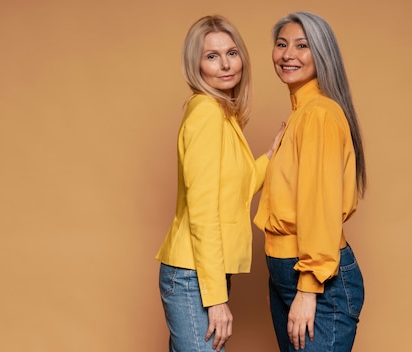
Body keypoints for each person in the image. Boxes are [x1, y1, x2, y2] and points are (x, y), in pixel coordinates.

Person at [155, 15, 284, 352]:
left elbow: (235, 190)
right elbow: (203, 213)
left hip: (199, 271)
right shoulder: (207, 115)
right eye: (212, 56)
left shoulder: (220, 114)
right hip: (193, 276)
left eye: (232, 52)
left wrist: (271, 155)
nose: (226, 64)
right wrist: (215, 299)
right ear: (196, 65)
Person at [254, 11, 367, 352]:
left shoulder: (318, 115)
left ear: (322, 54)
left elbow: (320, 206)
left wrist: (308, 287)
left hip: (316, 278)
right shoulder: (301, 115)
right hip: (286, 270)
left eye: (302, 46)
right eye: (282, 44)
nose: (288, 54)